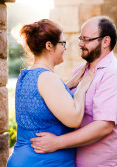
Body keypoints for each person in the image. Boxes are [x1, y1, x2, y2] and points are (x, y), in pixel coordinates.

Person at [30, 16, 117, 166]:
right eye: (81, 38)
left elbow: (103, 126)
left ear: (106, 41)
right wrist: (68, 85)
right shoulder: (81, 71)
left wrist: (56, 142)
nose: (80, 43)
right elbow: (65, 106)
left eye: (86, 40)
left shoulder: (113, 75)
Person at [7, 19, 94, 167]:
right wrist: (81, 90)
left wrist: (69, 84)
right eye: (62, 44)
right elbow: (74, 119)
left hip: (25, 159)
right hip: (43, 162)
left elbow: (42, 102)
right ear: (49, 46)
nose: (64, 48)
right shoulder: (47, 78)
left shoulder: (27, 74)